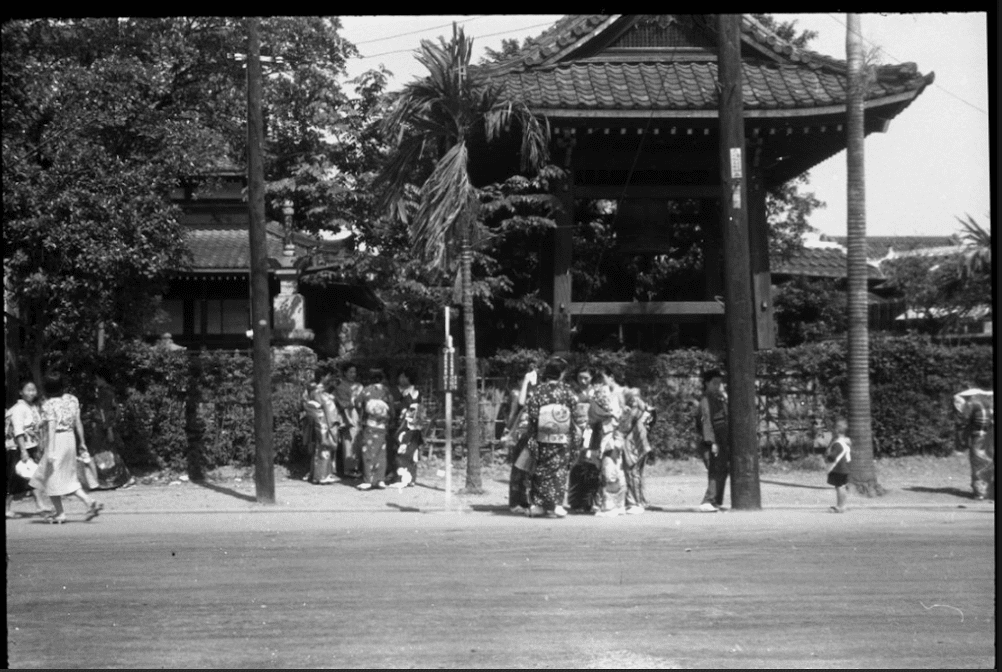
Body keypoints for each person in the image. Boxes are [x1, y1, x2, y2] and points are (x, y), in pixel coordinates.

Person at [28, 372, 103, 524]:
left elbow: (52, 427)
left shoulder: (49, 404)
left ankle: (60, 513)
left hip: (57, 440)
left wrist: (50, 451)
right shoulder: (72, 399)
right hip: (70, 439)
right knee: (67, 477)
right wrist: (82, 442)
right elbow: (78, 423)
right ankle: (89, 502)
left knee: (50, 478)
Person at [524, 358, 578, 518]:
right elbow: (574, 411)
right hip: (562, 435)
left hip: (541, 435)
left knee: (540, 469)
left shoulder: (538, 391)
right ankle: (556, 505)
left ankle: (537, 505)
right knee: (559, 470)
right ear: (561, 373)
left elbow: (533, 414)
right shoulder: (567, 392)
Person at [5, 380, 51, 517]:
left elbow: (33, 426)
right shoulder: (19, 409)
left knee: (32, 476)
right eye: (28, 390)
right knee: (13, 479)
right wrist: (23, 451)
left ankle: (40, 505)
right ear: (21, 392)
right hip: (17, 448)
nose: (31, 393)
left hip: (28, 446)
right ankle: (6, 509)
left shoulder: (31, 407)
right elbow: (18, 431)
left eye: (33, 390)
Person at [86, 373, 136, 490]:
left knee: (108, 452)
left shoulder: (105, 393)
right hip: (105, 426)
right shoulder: (108, 392)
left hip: (103, 427)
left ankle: (123, 478)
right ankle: (113, 479)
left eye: (97, 378)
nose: (95, 381)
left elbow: (105, 412)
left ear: (102, 378)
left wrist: (108, 429)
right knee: (108, 452)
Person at [501, 366, 538, 514]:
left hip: (534, 435)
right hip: (520, 435)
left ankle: (528, 500)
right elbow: (519, 406)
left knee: (531, 471)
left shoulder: (540, 393)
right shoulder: (518, 393)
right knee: (518, 470)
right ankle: (516, 501)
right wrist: (526, 382)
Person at [566, 367, 602, 514]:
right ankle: (576, 502)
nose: (582, 381)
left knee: (592, 467)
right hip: (576, 432)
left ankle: (590, 501)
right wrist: (575, 428)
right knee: (577, 467)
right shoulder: (571, 392)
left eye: (586, 378)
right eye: (580, 377)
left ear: (592, 378)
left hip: (593, 433)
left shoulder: (597, 393)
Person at [953, 388, 994, 500]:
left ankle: (981, 492)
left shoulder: (971, 403)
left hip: (979, 437)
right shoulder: (988, 402)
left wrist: (961, 442)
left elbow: (962, 423)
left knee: (979, 462)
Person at [620, 387, 656, 515]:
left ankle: (635, 502)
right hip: (641, 444)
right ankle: (638, 501)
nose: (634, 399)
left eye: (635, 396)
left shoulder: (636, 410)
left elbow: (625, 427)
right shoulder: (647, 409)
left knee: (632, 473)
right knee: (636, 474)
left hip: (634, 445)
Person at [355, 369, 393, 491]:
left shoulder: (366, 390)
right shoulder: (386, 391)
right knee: (381, 452)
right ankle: (380, 479)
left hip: (370, 425)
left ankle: (368, 480)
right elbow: (391, 409)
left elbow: (357, 403)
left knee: (368, 452)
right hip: (382, 426)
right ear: (382, 379)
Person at [697, 369, 729, 512]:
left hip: (721, 439)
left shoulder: (718, 399)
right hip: (711, 441)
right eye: (714, 383)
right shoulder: (705, 401)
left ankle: (715, 500)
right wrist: (711, 442)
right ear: (707, 383)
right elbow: (706, 422)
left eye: (719, 384)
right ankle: (708, 500)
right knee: (715, 469)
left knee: (722, 469)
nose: (717, 386)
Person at [390, 369, 423, 488]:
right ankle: (407, 478)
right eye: (401, 377)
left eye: (405, 377)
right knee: (403, 450)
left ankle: (404, 479)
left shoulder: (414, 392)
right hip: (405, 424)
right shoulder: (403, 392)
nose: (402, 379)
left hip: (409, 425)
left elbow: (415, 409)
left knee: (406, 451)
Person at [301, 381, 339, 485]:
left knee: (317, 451)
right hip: (323, 425)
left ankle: (315, 476)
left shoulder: (308, 397)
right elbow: (331, 413)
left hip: (314, 425)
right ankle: (323, 476)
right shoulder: (322, 396)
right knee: (324, 449)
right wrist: (333, 426)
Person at [333, 363, 364, 478]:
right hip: (348, 415)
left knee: (358, 442)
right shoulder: (341, 387)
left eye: (354, 372)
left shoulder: (359, 386)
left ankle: (357, 467)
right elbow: (342, 403)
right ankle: (349, 469)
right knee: (349, 442)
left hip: (359, 414)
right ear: (345, 373)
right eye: (350, 372)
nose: (353, 374)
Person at [825, 417, 851, 512]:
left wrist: (827, 457)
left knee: (839, 487)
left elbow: (833, 456)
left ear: (836, 430)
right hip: (845, 468)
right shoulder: (846, 443)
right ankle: (843, 505)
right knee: (843, 486)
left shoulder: (837, 444)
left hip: (838, 469)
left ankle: (839, 506)